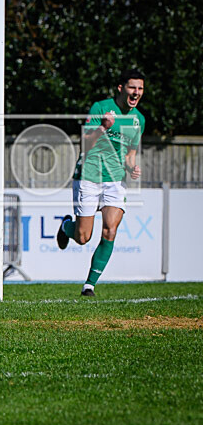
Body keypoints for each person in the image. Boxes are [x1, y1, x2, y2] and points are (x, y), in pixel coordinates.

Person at [56, 69, 145, 296]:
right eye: (132, 87)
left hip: (115, 180)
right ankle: (67, 227)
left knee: (110, 230)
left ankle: (89, 285)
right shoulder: (100, 108)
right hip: (89, 176)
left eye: (140, 89)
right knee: (83, 237)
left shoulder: (138, 120)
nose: (136, 93)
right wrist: (103, 126)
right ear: (121, 88)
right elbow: (84, 144)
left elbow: (129, 155)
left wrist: (131, 167)